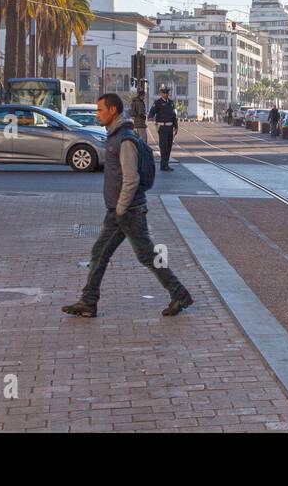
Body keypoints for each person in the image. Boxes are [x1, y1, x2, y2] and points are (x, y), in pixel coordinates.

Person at [62, 93, 192, 319]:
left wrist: (121, 208)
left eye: (100, 110)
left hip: (128, 211)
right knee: (101, 253)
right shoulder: (116, 136)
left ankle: (179, 293)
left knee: (144, 255)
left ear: (113, 111)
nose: (98, 114)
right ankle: (88, 301)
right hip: (120, 210)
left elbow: (131, 178)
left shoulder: (125, 140)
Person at [148, 83, 179, 171]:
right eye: (164, 93)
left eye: (167, 93)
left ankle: (166, 164)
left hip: (170, 127)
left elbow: (174, 116)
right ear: (161, 94)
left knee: (169, 146)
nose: (165, 94)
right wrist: (150, 116)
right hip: (162, 127)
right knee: (163, 146)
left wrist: (176, 126)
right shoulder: (157, 103)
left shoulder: (171, 103)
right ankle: (163, 165)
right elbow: (152, 112)